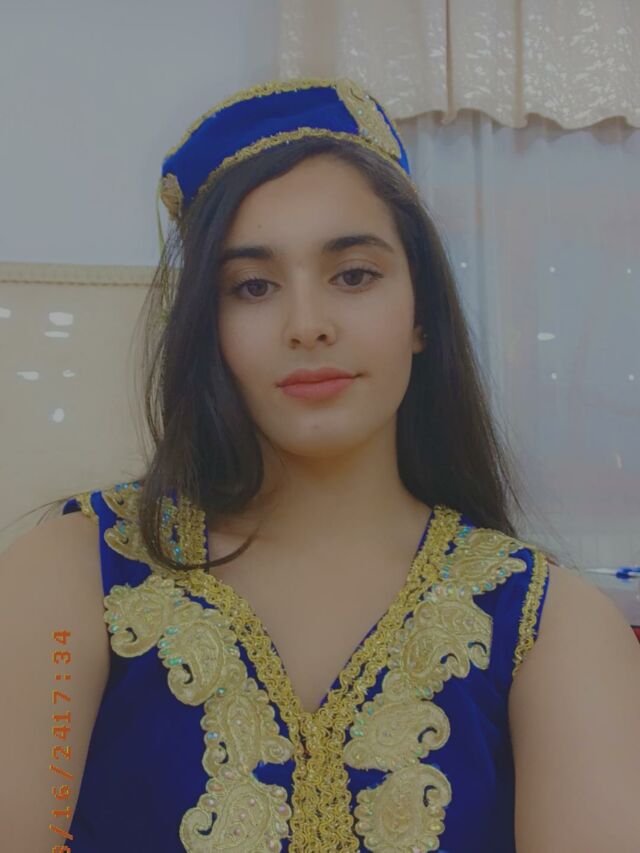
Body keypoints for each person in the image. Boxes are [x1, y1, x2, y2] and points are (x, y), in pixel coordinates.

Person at [2, 77, 639, 853]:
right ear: (207, 329)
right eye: (253, 286)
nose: (307, 324)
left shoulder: (548, 622)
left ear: (422, 315)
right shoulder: (72, 573)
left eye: (354, 275)